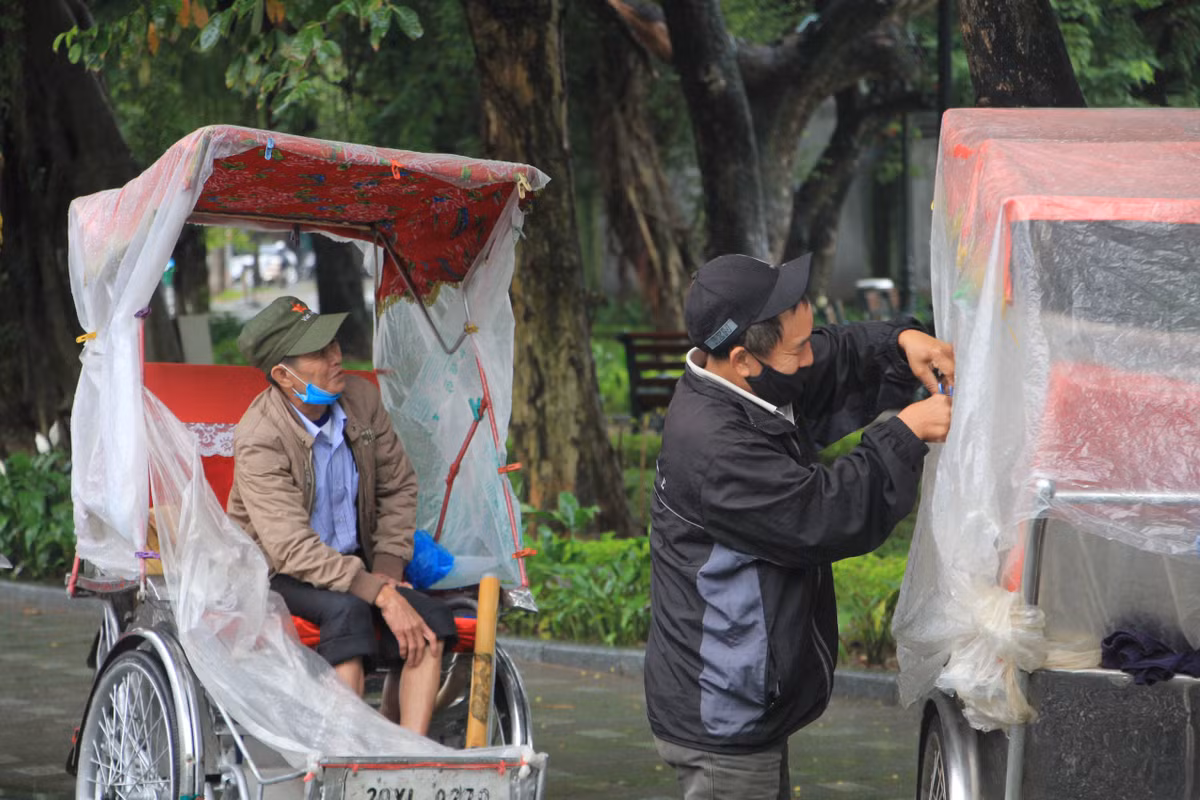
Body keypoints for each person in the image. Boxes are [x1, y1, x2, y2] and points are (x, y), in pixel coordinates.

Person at [645, 254, 954, 799]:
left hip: (745, 698)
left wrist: (902, 342)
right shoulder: (717, 448)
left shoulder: (747, 383)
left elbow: (832, 356)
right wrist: (904, 434)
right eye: (797, 349)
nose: (810, 357)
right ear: (743, 359)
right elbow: (823, 515)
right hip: (723, 714)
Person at [227, 296, 455, 734]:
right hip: (280, 573)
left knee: (431, 623)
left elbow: (398, 485)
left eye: (334, 345)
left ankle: (406, 750)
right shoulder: (260, 436)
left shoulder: (361, 400)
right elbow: (291, 549)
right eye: (319, 353)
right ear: (282, 375)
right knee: (348, 613)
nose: (336, 358)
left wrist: (387, 571)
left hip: (358, 567)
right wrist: (381, 595)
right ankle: (345, 754)